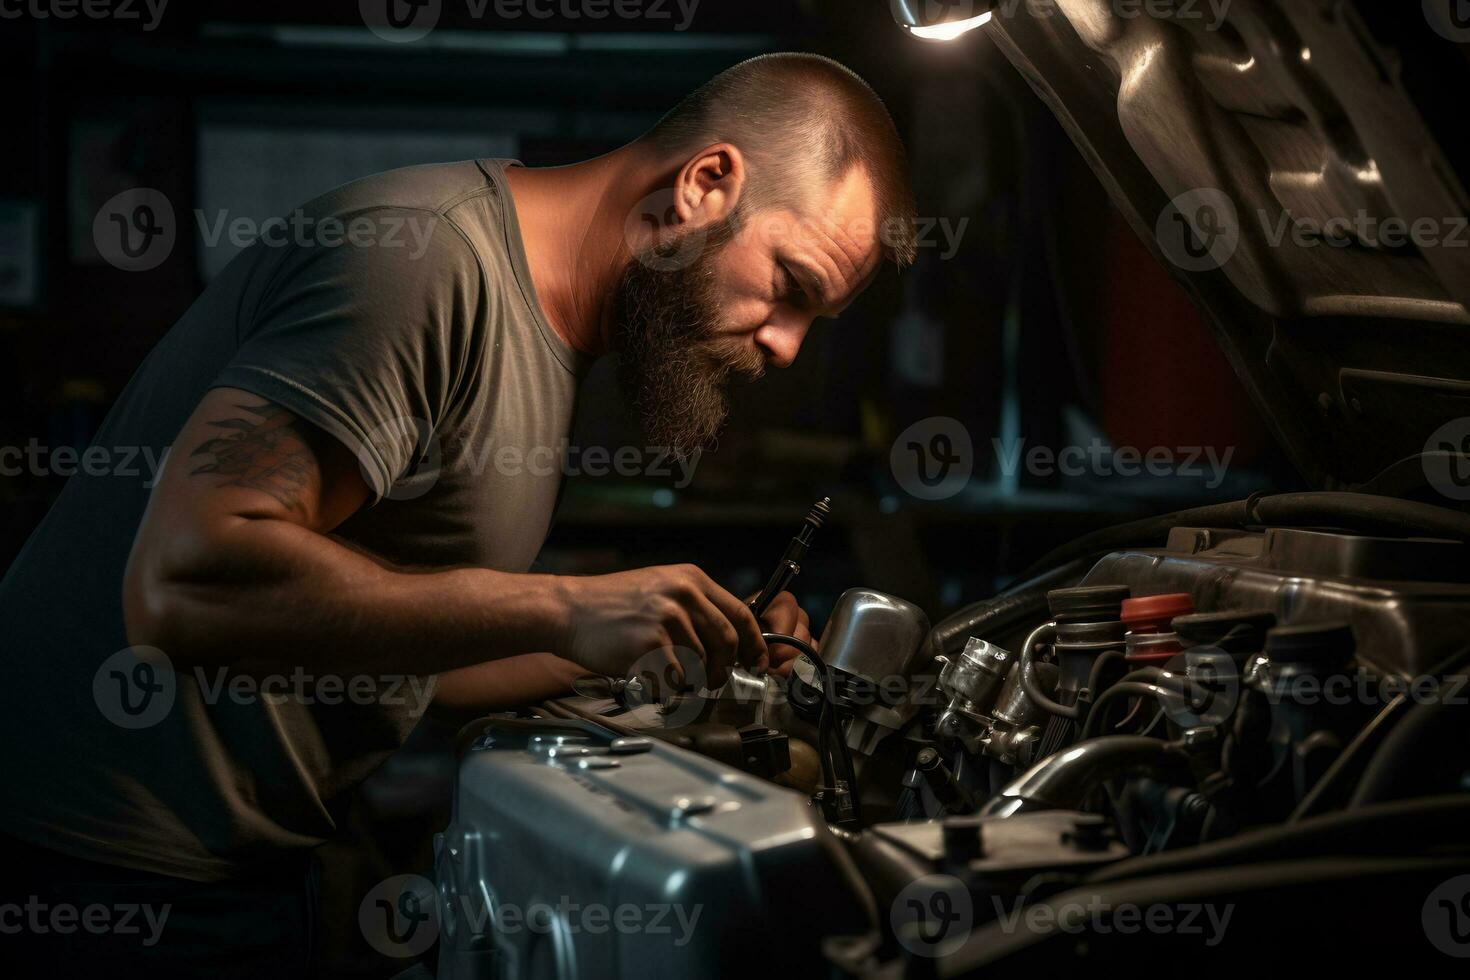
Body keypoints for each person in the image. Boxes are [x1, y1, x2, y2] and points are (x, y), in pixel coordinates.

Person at [0, 52, 916, 975]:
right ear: (705, 184)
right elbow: (184, 582)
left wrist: (658, 643)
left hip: (241, 871)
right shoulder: (425, 263)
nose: (789, 346)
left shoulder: (552, 334)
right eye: (792, 286)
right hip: (92, 873)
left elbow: (402, 650)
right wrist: (567, 607)